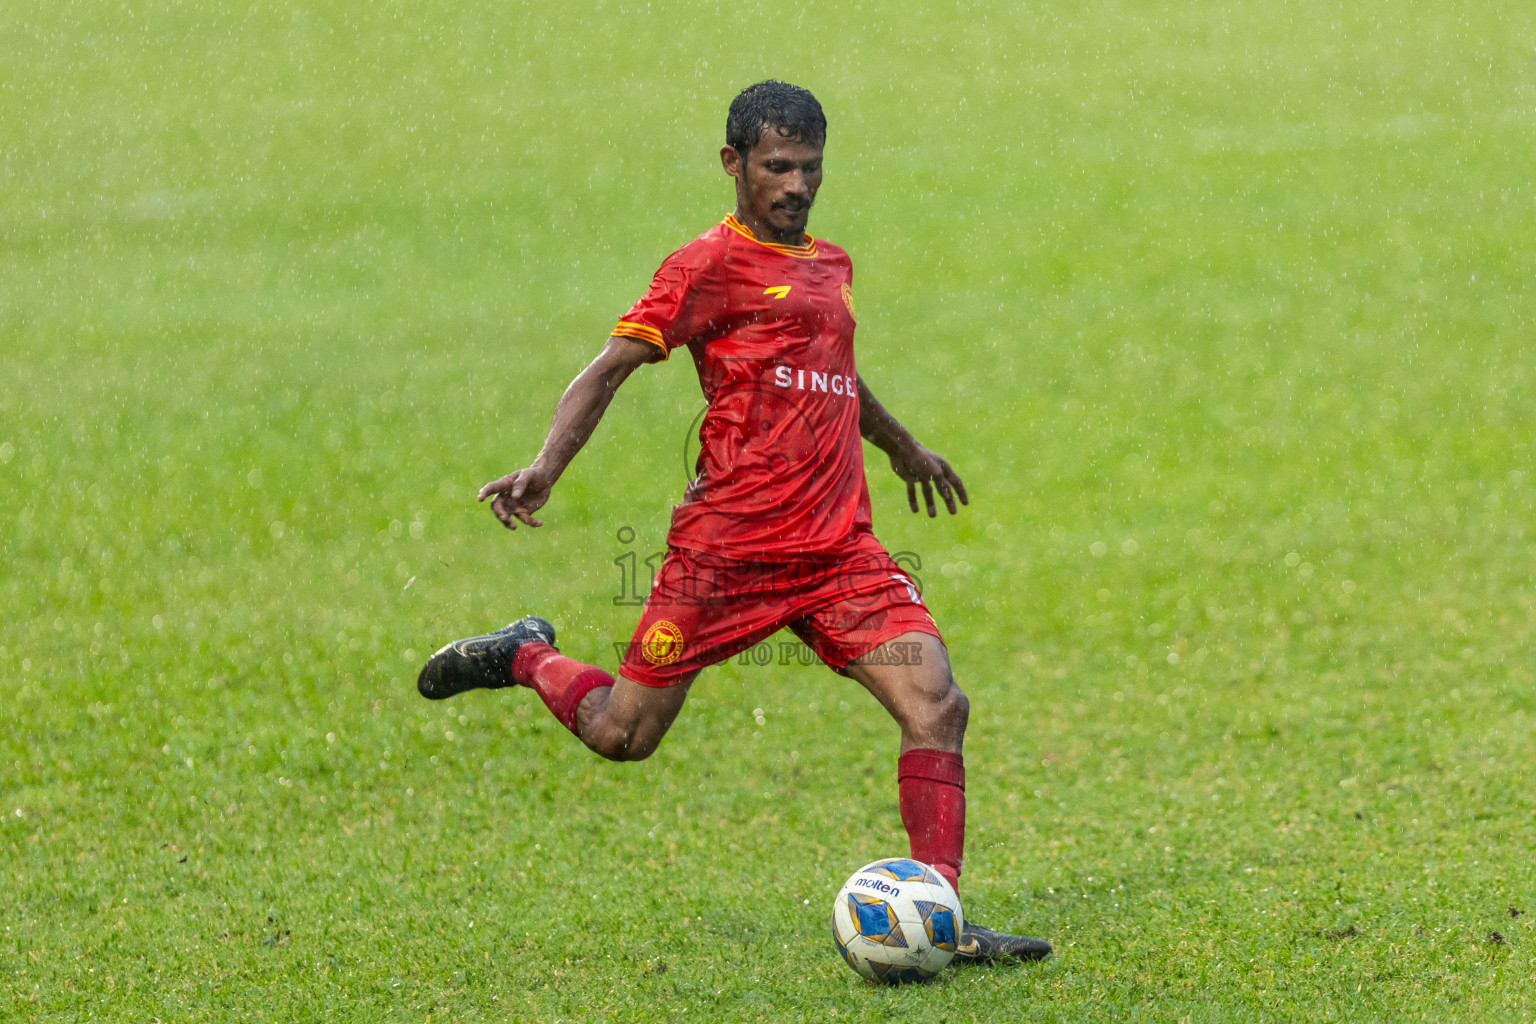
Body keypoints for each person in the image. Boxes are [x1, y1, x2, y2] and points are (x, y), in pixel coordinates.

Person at [417, 80, 1050, 964]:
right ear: (734, 164)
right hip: (726, 559)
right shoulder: (705, 267)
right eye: (777, 168)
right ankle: (525, 652)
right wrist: (544, 469)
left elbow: (830, 369)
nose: (796, 187)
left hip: (840, 555)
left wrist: (901, 447)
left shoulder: (832, 267)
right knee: (623, 736)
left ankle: (938, 913)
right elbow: (608, 371)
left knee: (937, 706)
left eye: (811, 169)